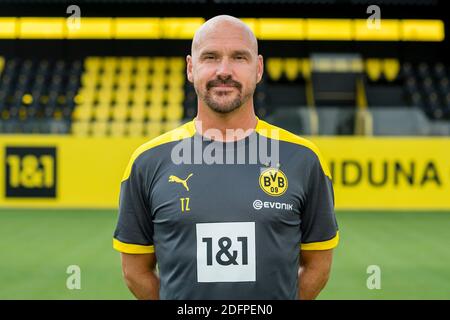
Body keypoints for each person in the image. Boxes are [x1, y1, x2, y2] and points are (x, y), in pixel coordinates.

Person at [113, 15, 339, 300]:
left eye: (239, 58)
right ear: (190, 68)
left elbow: (318, 264)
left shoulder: (303, 159)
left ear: (258, 69)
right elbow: (135, 270)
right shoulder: (147, 162)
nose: (224, 70)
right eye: (210, 57)